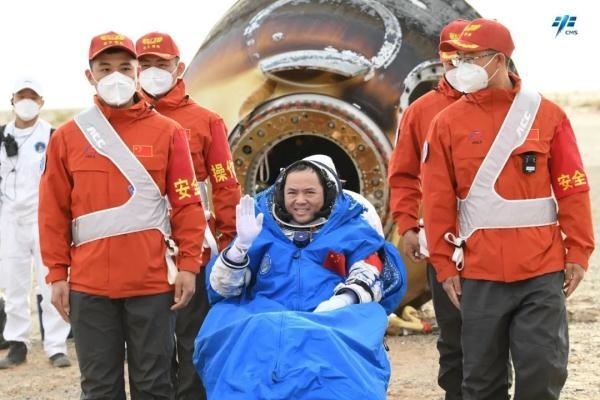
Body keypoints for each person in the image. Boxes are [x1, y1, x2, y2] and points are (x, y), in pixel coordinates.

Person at [422, 18, 594, 400]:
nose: (461, 66)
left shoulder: (549, 115)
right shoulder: (445, 123)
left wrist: (579, 250)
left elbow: (572, 187)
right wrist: (444, 265)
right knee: (481, 382)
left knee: (543, 373)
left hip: (541, 270)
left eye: (472, 58)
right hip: (479, 273)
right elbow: (436, 200)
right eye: (459, 58)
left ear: (498, 60)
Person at [38, 31, 206, 398]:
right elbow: (52, 210)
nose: (115, 75)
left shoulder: (169, 133)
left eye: (125, 67)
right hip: (89, 287)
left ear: (137, 72)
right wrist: (56, 273)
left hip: (152, 284)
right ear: (90, 76)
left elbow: (187, 203)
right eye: (105, 68)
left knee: (154, 385)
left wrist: (189, 265)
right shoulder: (67, 137)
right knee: (99, 388)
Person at [193, 154, 407, 399]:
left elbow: (370, 273)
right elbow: (224, 288)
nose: (300, 200)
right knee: (248, 332)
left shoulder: (353, 231)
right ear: (281, 193)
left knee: (328, 347)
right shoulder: (261, 229)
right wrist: (240, 248)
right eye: (292, 192)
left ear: (327, 192)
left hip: (331, 318)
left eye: (310, 192)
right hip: (263, 315)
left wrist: (342, 301)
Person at [135, 31, 241, 400]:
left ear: (178, 68)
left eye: (161, 64)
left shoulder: (206, 121)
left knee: (192, 334)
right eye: (145, 64)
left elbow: (225, 185)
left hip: (193, 243)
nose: (153, 71)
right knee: (148, 340)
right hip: (140, 243)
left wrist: (230, 242)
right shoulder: (118, 124)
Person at [388, 19, 479, 400]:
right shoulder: (420, 112)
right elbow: (403, 174)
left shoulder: (511, 109)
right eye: (451, 57)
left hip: (499, 241)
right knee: (454, 336)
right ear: (440, 58)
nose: (458, 65)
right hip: (444, 242)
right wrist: (408, 225)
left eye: (467, 57)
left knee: (495, 336)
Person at [0, 77, 72, 369]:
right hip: (10, 219)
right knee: (14, 284)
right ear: (13, 100)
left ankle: (56, 346)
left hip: (44, 219)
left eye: (32, 96)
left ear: (41, 101)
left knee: (50, 283)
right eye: (22, 96)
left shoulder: (54, 136)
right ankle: (17, 343)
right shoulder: (2, 136)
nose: (27, 102)